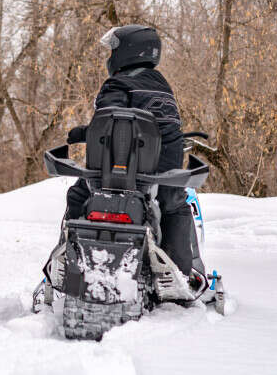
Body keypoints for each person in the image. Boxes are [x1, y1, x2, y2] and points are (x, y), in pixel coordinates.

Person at [63, 24, 199, 278]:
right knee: (176, 206)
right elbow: (164, 125)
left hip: (118, 169)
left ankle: (66, 256)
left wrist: (82, 133)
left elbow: (109, 122)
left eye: (112, 49)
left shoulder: (118, 84)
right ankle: (181, 273)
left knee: (77, 195)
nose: (109, 56)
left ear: (128, 51)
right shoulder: (163, 86)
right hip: (161, 171)